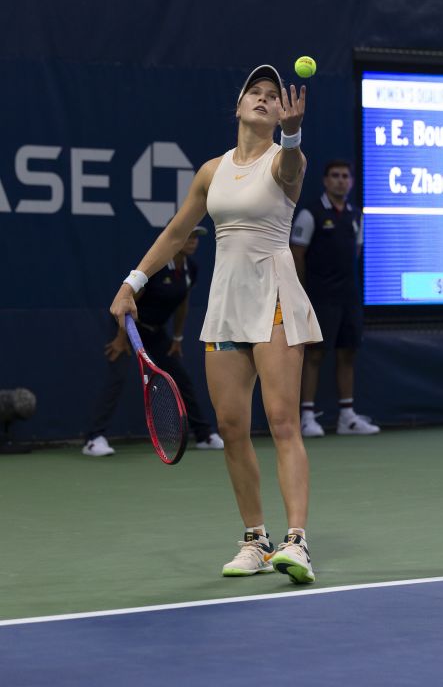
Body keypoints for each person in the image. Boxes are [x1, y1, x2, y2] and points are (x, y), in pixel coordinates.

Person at [110, 65, 322, 584]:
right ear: (239, 105)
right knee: (231, 428)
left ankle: (297, 543)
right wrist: (132, 283)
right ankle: (255, 539)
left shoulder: (283, 159)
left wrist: (292, 135)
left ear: (281, 114)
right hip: (226, 303)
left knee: (282, 421)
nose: (266, 100)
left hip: (273, 297)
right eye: (257, 92)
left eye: (275, 97)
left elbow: (292, 171)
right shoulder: (211, 171)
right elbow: (177, 231)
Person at [84, 227, 223, 456]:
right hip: (129, 325)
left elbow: (183, 303)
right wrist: (122, 338)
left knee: (180, 377)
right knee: (117, 377)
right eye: (189, 236)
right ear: (176, 238)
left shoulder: (191, 269)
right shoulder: (156, 268)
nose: (194, 242)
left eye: (197, 237)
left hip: (156, 332)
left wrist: (177, 337)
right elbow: (129, 299)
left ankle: (204, 434)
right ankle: (94, 438)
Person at [290, 160, 380, 438]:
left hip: (349, 297)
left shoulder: (355, 215)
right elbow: (296, 254)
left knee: (347, 353)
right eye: (335, 176)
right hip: (319, 296)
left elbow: (355, 253)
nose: (341, 181)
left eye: (345, 176)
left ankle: (347, 416)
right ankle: (306, 417)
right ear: (325, 181)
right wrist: (302, 292)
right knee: (314, 354)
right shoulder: (310, 213)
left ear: (351, 182)